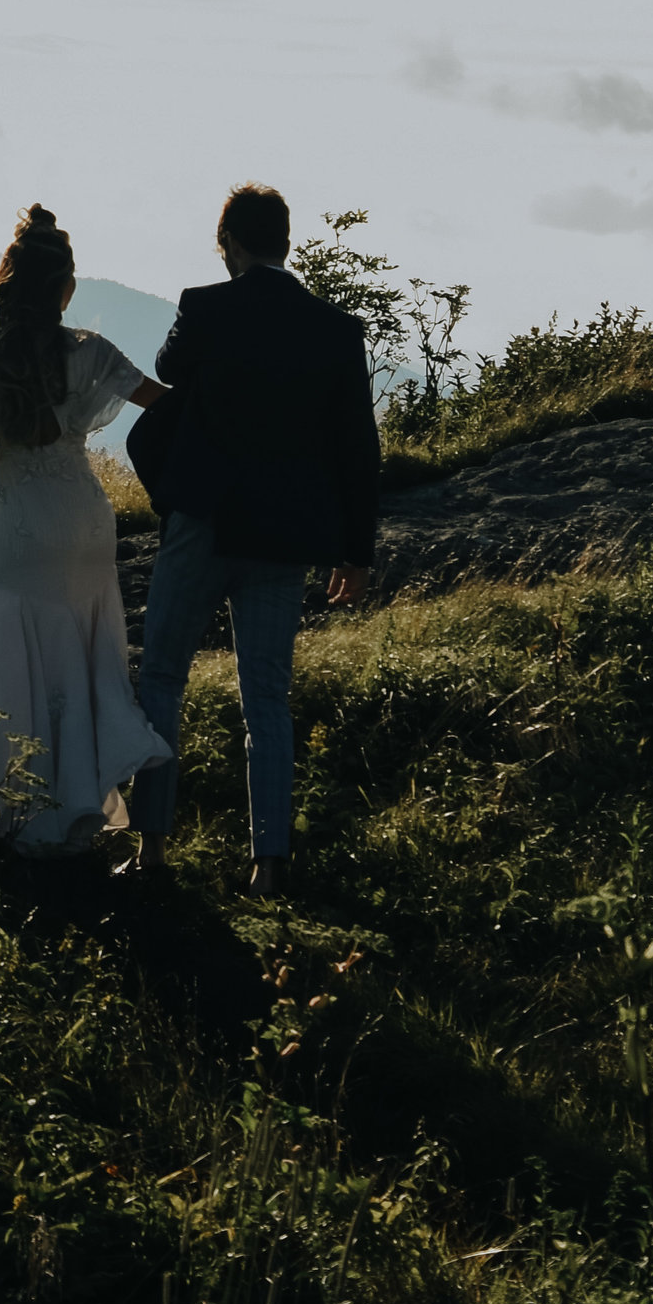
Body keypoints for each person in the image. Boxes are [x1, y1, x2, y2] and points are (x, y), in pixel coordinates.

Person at [128, 182, 379, 898]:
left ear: (230, 243)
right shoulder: (335, 327)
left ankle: (150, 848)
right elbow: (358, 447)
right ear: (288, 242)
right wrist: (355, 552)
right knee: (265, 696)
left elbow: (171, 371)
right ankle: (269, 862)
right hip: (283, 541)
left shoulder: (204, 307)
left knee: (163, 678)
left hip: (202, 524)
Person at [0, 202, 175, 852]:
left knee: (5, 658)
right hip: (83, 522)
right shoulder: (88, 351)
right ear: (64, 287)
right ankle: (79, 805)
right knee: (81, 662)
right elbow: (164, 401)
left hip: (21, 525)